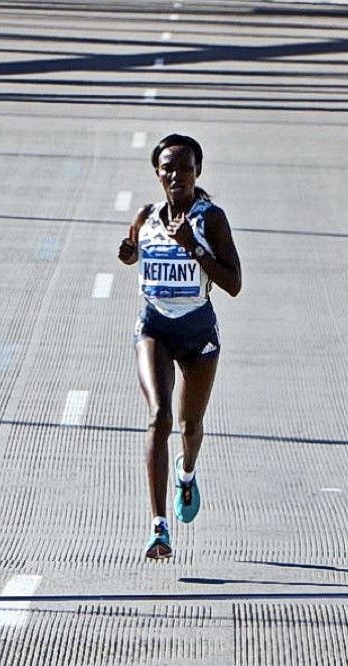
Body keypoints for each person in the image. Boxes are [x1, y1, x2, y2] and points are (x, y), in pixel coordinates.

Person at [117, 134, 242, 559]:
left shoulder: (211, 219)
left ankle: (186, 474)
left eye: (185, 167)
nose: (176, 175)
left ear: (197, 172)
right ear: (157, 172)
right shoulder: (146, 216)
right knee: (159, 416)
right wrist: (129, 253)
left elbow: (234, 284)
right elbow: (133, 250)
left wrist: (193, 247)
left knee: (190, 426)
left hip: (198, 332)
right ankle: (159, 527)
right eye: (168, 167)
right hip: (154, 327)